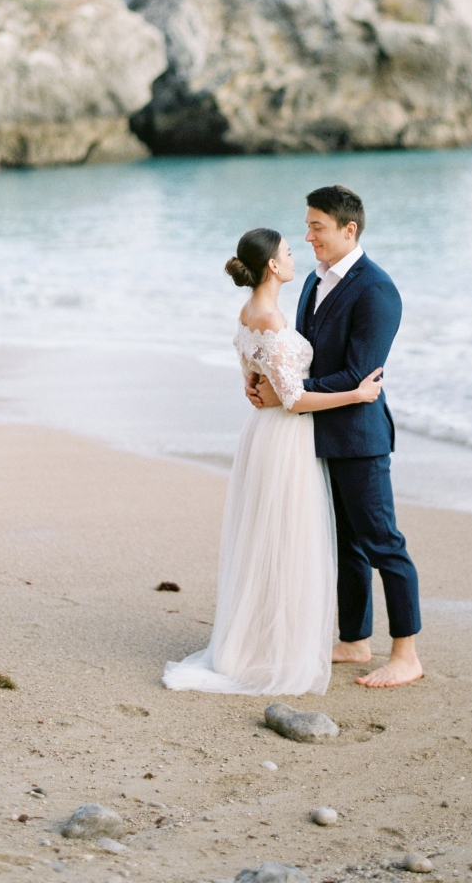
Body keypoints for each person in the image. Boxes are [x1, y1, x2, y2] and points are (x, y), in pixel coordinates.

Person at [162, 228, 384, 695]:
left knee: (268, 536)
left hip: (264, 435)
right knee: (287, 539)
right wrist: (359, 393)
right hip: (286, 439)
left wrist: (254, 387)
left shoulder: (249, 313)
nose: (294, 253)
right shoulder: (272, 320)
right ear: (273, 268)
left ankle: (258, 640)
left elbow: (253, 377)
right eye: (287, 251)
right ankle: (275, 647)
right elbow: (296, 399)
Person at [247, 185, 423, 688]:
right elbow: (298, 350)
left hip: (359, 435)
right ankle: (355, 640)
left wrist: (289, 394)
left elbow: (358, 375)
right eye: (306, 226)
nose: (308, 237)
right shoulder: (312, 281)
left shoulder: (376, 290)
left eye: (317, 227)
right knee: (346, 544)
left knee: (383, 542)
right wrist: (267, 376)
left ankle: (407, 654)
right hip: (315, 430)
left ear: (349, 230)